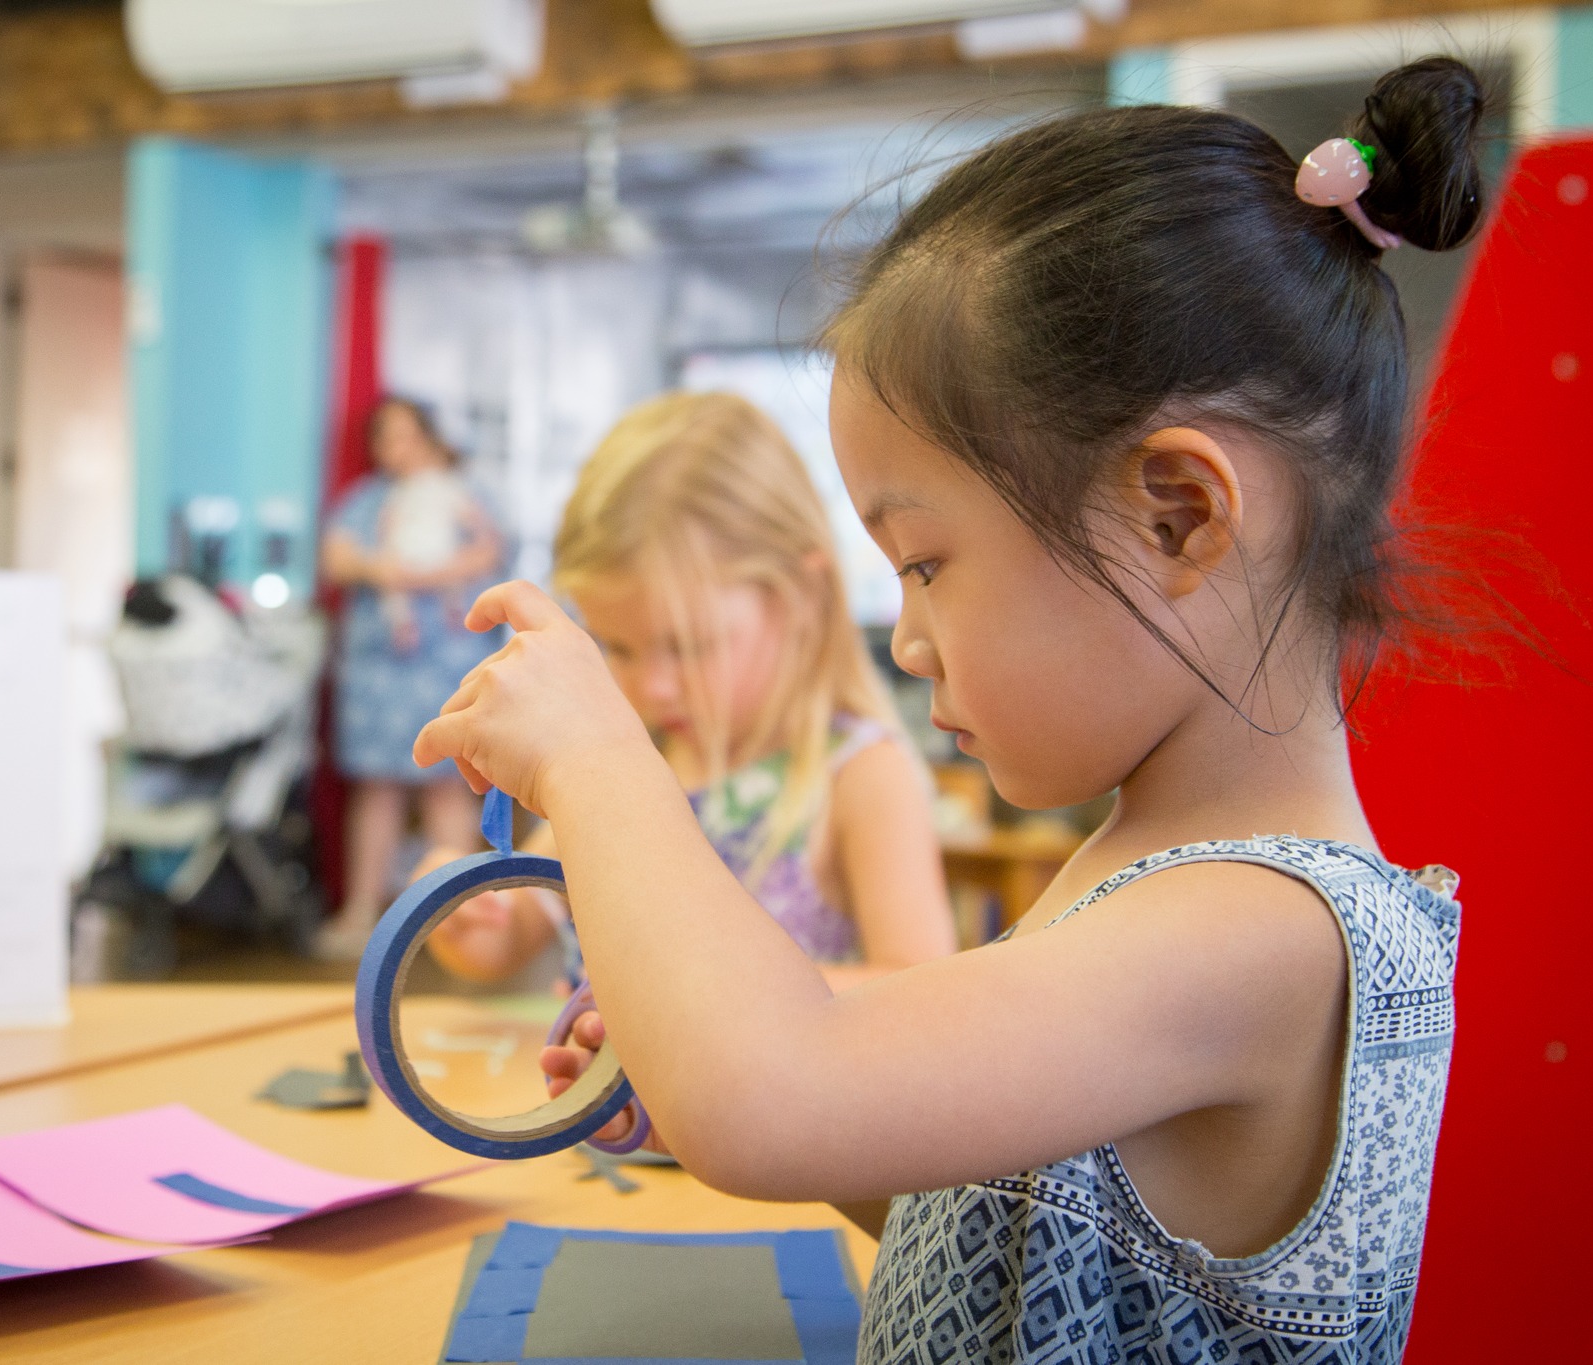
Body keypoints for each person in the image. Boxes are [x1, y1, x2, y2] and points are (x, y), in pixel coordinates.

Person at [416, 57, 1485, 1363]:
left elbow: (781, 1094)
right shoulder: (1143, 870)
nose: (911, 637)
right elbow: (1005, 1221)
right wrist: (700, 1064)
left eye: (925, 563)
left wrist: (594, 756)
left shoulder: (1264, 930)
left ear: (1181, 517)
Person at [422, 392, 955, 992]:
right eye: (618, 648)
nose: (652, 685)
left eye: (690, 646)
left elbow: (921, 990)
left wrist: (702, 1004)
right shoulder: (626, 766)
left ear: (800, 595)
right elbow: (515, 935)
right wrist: (470, 917)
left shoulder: (859, 776)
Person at [313, 397, 504, 960]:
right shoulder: (366, 501)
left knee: (452, 784)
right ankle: (361, 915)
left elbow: (491, 551)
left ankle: (458, 921)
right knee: (377, 789)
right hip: (378, 666)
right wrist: (385, 570)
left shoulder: (467, 492)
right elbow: (337, 559)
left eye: (405, 436)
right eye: (384, 439)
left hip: (450, 659)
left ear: (429, 435)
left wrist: (429, 575)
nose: (396, 449)